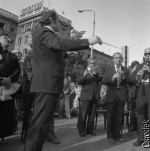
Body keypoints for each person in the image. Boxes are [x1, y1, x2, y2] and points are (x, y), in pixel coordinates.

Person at [23, 10, 102, 151]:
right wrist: (88, 41)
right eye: (58, 21)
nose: (59, 24)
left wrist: (66, 53)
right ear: (52, 20)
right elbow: (58, 43)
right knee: (40, 123)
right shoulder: (44, 32)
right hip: (47, 84)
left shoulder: (43, 34)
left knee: (43, 122)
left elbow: (51, 53)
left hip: (48, 84)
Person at [102, 52, 132, 143]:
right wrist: (112, 78)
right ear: (113, 59)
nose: (118, 59)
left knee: (119, 117)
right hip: (111, 95)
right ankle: (110, 136)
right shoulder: (108, 69)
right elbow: (104, 80)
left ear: (121, 59)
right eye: (116, 57)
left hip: (121, 95)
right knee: (110, 116)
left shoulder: (126, 70)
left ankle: (118, 135)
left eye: (120, 58)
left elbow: (130, 81)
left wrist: (124, 77)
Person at [0, 32, 21, 140]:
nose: (7, 40)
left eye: (8, 38)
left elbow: (18, 69)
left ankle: (2, 134)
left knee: (5, 113)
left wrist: (10, 79)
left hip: (7, 88)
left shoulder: (13, 56)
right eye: (4, 38)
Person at [77, 58, 102, 137]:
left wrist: (96, 73)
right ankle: (81, 130)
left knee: (92, 114)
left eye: (95, 63)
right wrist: (84, 75)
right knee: (83, 114)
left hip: (95, 96)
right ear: (89, 64)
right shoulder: (83, 72)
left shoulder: (97, 73)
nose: (94, 65)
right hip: (85, 96)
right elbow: (79, 81)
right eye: (93, 63)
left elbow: (102, 79)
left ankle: (90, 129)